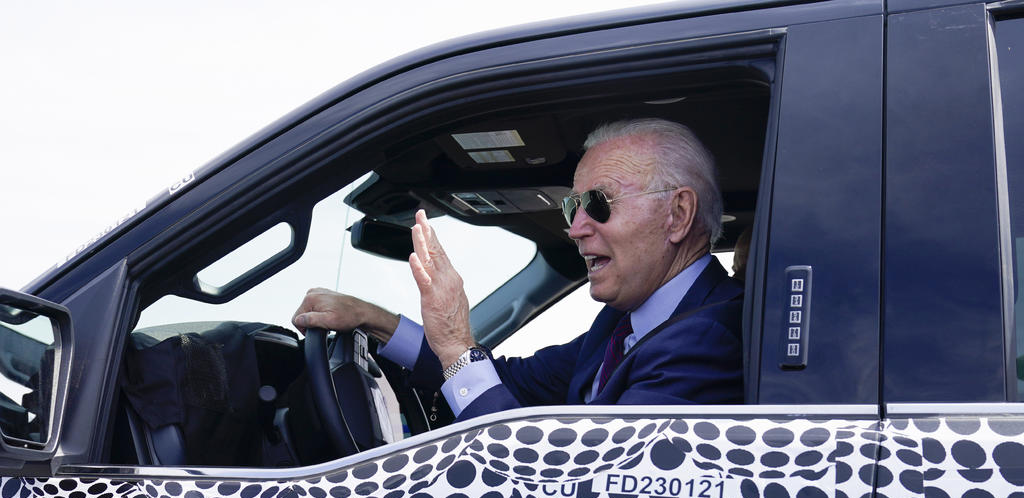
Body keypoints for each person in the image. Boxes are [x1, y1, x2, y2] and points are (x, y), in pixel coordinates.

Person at [293, 118, 743, 421]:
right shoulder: (627, 325)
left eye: (598, 203)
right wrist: (375, 321)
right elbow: (511, 382)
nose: (575, 229)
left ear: (678, 214)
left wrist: (455, 345)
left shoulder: (708, 340)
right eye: (573, 206)